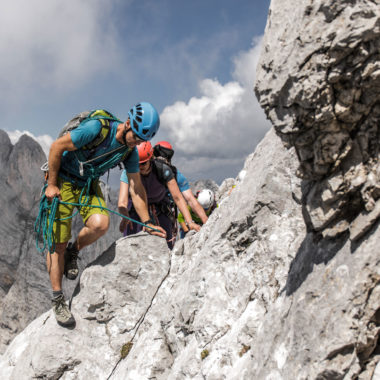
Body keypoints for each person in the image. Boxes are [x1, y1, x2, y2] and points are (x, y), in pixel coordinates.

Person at [43, 102, 166, 327]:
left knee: (100, 224)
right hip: (64, 180)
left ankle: (74, 250)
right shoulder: (96, 129)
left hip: (87, 183)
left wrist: (147, 222)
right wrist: (52, 184)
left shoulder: (129, 151)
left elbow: (136, 187)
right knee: (57, 243)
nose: (137, 143)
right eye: (135, 137)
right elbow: (56, 147)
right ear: (128, 123)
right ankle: (58, 298)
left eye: (141, 141)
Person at [118, 141, 201, 249]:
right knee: (132, 247)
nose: (140, 167)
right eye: (137, 164)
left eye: (143, 163)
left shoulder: (163, 170)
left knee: (166, 244)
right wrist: (125, 216)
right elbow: (122, 201)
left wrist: (190, 222)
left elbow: (177, 198)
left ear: (151, 159)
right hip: (135, 212)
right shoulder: (128, 172)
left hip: (160, 210)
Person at [153, 141, 208, 225]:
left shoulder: (146, 168)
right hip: (165, 215)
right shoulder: (175, 174)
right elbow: (190, 199)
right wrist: (206, 221)